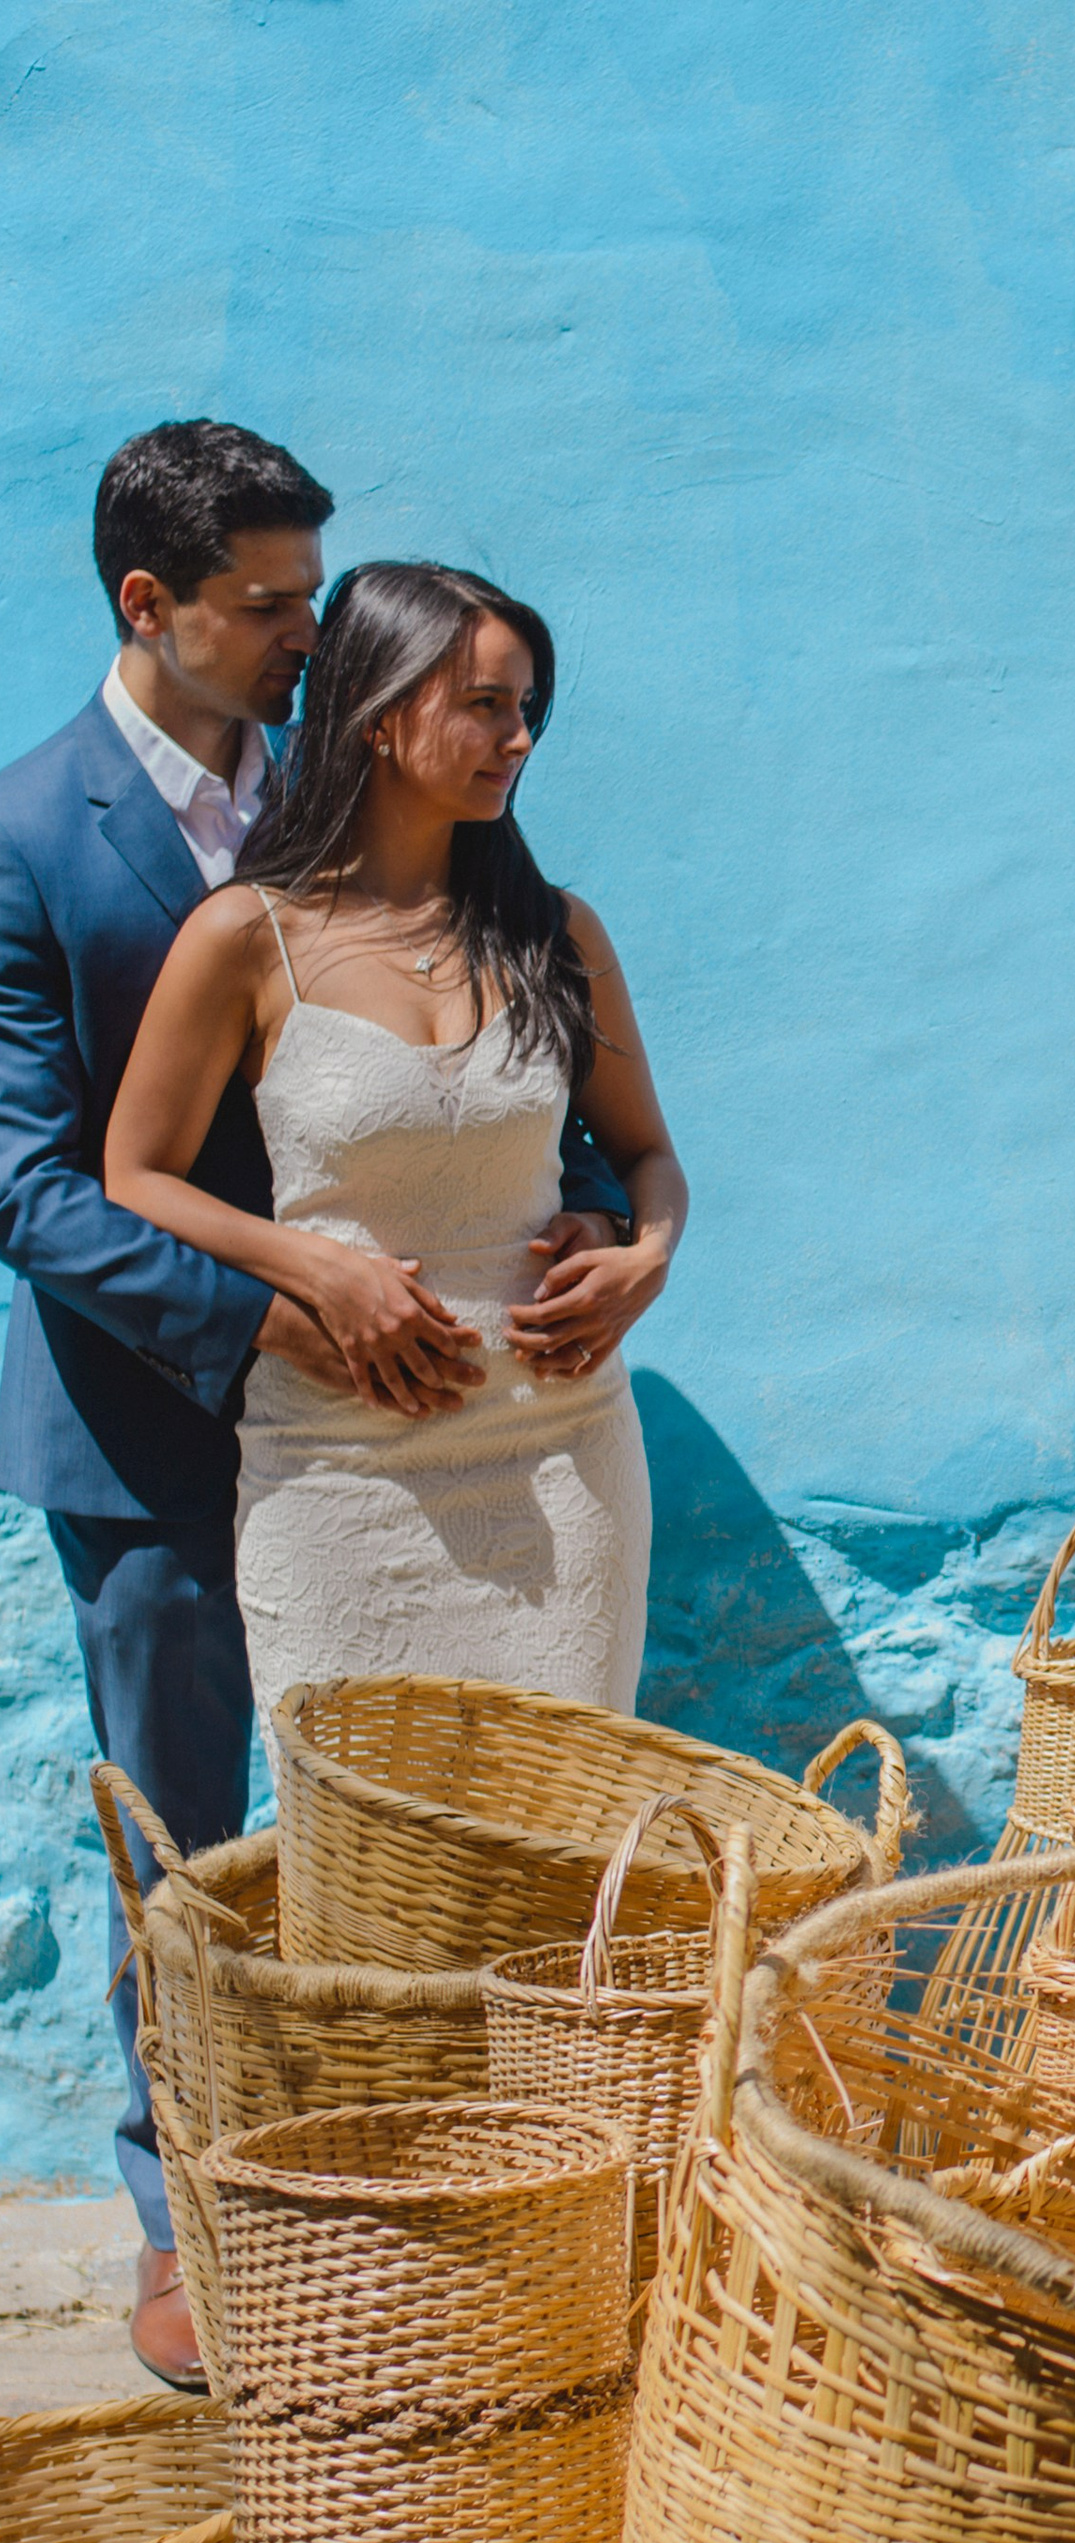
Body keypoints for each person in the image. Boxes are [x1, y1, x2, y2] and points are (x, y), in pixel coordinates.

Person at [0, 423, 629, 2388]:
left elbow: (500, 1089)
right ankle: (184, 2210)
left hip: (434, 1416)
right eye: (269, 605)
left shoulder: (376, 789)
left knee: (461, 1851)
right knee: (182, 1855)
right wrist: (278, 1312)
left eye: (307, 603)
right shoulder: (31, 835)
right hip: (158, 1410)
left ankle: (464, 2193)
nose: (303, 633)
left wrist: (587, 1224)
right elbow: (35, 1179)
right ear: (151, 606)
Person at [105, 559, 684, 1725]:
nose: (516, 738)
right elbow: (134, 1175)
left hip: (563, 1457)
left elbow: (645, 1158)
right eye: (483, 704)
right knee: (361, 1864)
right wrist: (306, 1261)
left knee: (558, 1848)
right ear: (377, 712)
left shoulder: (557, 932)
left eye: (527, 710)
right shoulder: (246, 937)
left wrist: (645, 1254)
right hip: (336, 1472)